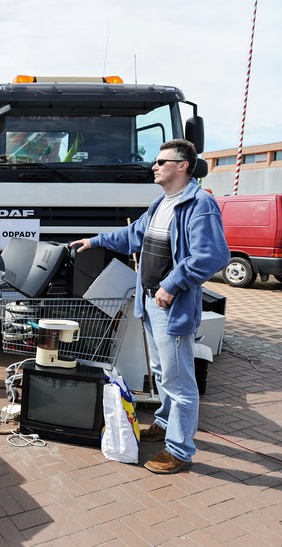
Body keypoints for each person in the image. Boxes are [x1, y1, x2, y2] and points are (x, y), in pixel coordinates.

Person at [70, 139, 229, 474]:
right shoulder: (162, 203)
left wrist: (171, 285)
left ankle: (180, 450)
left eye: (160, 161)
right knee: (160, 374)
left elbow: (213, 256)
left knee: (179, 381)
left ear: (182, 165)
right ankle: (164, 423)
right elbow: (133, 235)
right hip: (149, 302)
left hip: (170, 307)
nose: (153, 166)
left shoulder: (199, 205)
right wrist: (95, 240)